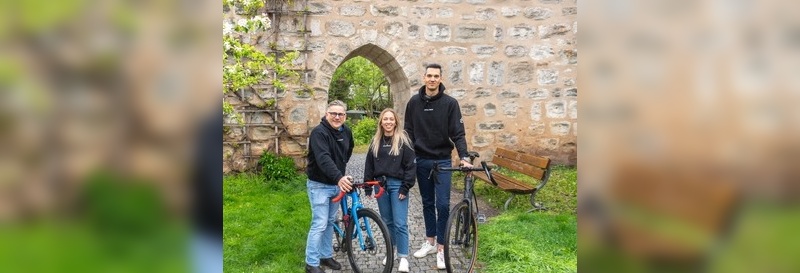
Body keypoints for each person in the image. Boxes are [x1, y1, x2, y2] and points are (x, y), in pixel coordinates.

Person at [404, 63, 473, 269]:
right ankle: (430, 241)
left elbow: (458, 133)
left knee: (442, 204)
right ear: (423, 77)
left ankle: (442, 248)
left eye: (436, 76)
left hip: (443, 160)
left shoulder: (450, 103)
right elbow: (408, 132)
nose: (432, 79)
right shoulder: (413, 103)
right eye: (429, 76)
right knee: (426, 202)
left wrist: (464, 156)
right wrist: (407, 159)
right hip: (422, 160)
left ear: (440, 79)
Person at [363, 108, 416, 273]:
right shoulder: (375, 141)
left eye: (391, 119)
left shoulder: (403, 141)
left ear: (396, 121)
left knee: (400, 223)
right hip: (381, 186)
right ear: (381, 122)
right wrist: (368, 186)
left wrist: (405, 186)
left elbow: (411, 165)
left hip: (397, 186)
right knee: (387, 222)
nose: (388, 122)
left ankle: (403, 257)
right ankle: (390, 252)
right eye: (385, 119)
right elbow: (369, 165)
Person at [304, 100, 354, 273]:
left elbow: (348, 151)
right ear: (327, 114)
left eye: (340, 114)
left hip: (335, 185)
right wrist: (339, 176)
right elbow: (323, 158)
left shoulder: (346, 131)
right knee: (319, 223)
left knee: (330, 222)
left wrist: (339, 172)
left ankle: (325, 255)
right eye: (333, 113)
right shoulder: (319, 133)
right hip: (319, 185)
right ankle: (311, 262)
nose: (337, 117)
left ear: (345, 116)